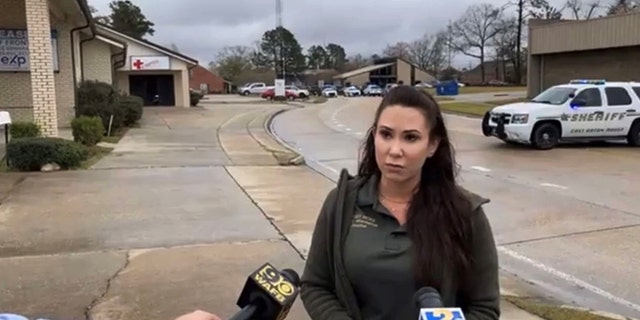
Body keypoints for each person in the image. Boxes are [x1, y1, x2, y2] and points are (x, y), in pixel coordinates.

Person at [299, 85, 500, 320]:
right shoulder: (342, 202)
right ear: (374, 136)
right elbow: (315, 285)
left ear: (432, 145)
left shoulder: (466, 213)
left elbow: (485, 309)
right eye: (385, 134)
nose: (394, 150)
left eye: (411, 138)